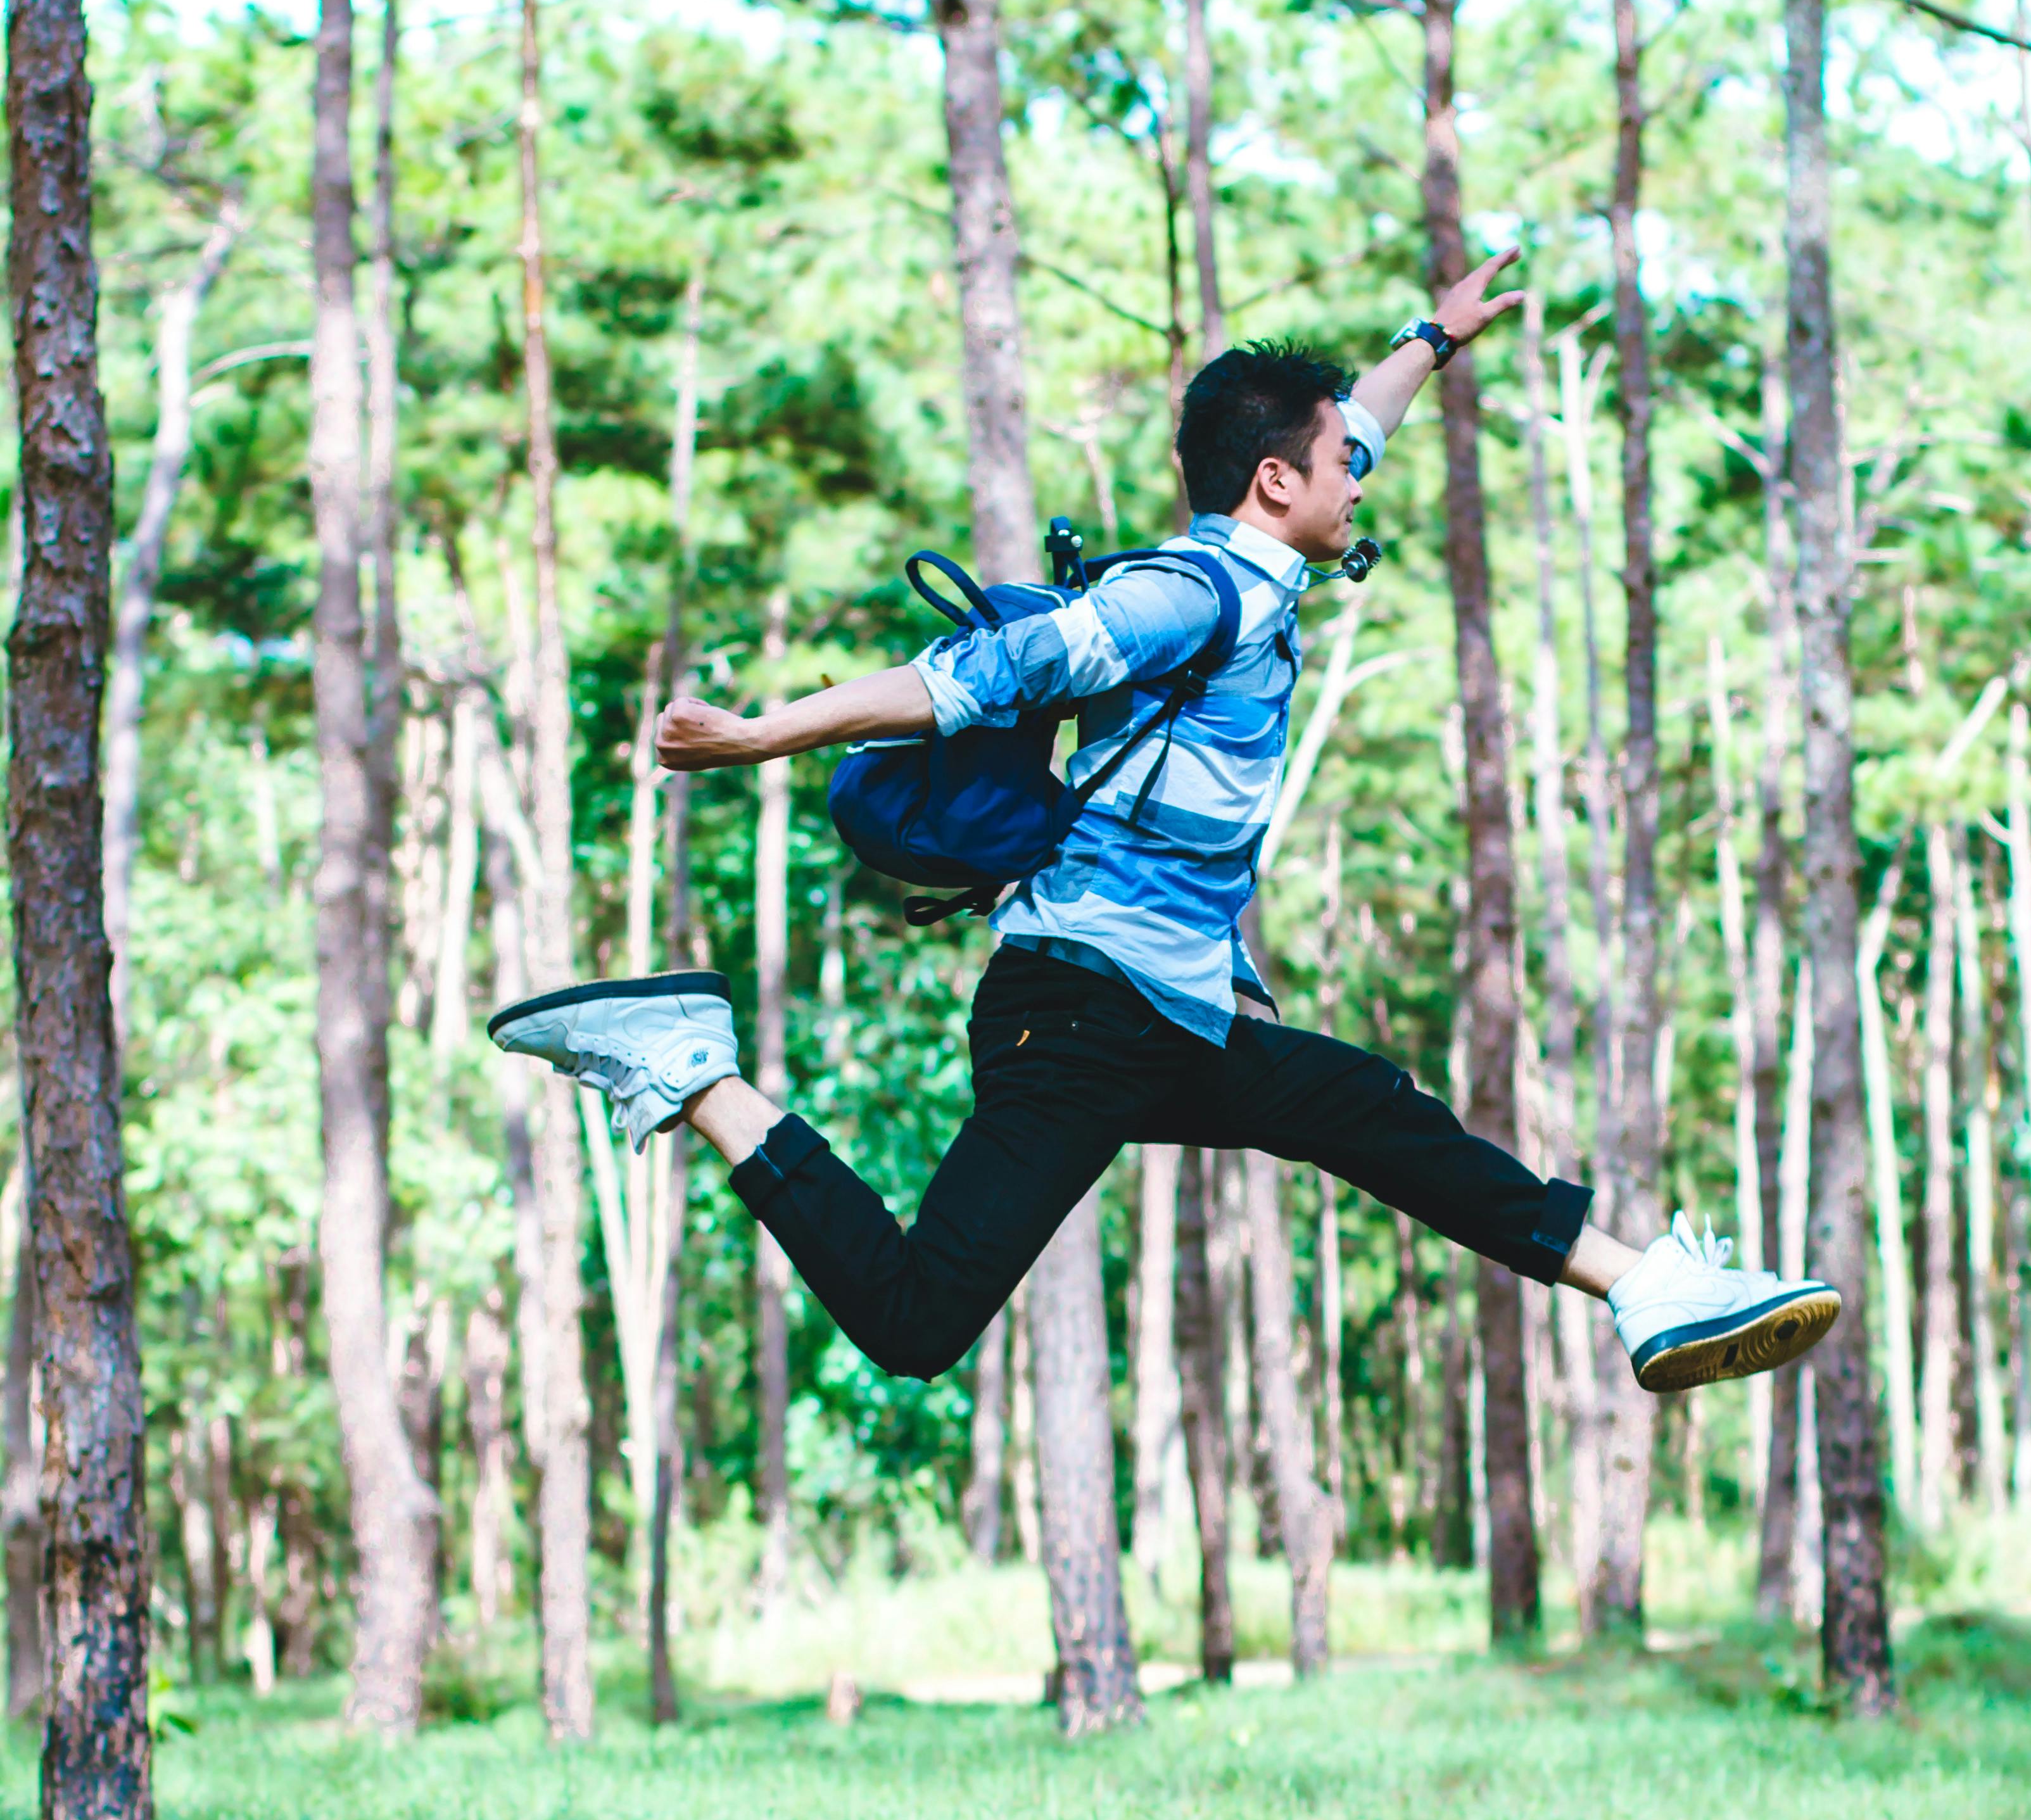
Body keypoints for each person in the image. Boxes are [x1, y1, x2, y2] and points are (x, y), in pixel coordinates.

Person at [490, 253, 1838, 1406]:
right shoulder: (1185, 598)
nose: (1359, 481)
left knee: (1373, 1116)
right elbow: (971, 680)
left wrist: (1431, 338)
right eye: (1338, 468)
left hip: (1168, 1007)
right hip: (1079, 1013)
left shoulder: (1266, 546)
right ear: (1274, 481)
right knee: (915, 1321)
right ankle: (697, 1073)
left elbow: (1360, 425)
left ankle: (1644, 1286)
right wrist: (758, 735)